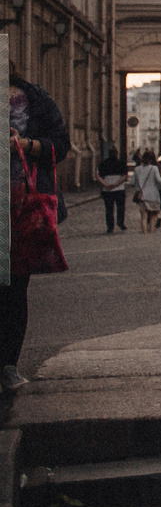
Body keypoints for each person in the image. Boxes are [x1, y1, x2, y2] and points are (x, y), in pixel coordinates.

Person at [3, 75, 70, 393]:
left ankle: (7, 365)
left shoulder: (32, 99)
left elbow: (61, 145)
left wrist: (23, 143)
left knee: (14, 288)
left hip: (20, 207)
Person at [97, 143, 128, 232]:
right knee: (120, 207)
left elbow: (98, 176)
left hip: (107, 190)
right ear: (117, 154)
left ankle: (110, 227)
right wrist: (116, 184)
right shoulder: (121, 163)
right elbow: (125, 176)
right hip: (119, 189)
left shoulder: (103, 164)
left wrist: (105, 185)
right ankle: (120, 222)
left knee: (109, 209)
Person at [132, 150, 161, 233]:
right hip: (152, 196)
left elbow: (132, 183)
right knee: (152, 217)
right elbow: (159, 180)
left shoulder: (137, 169)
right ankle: (151, 232)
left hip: (141, 196)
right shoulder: (154, 168)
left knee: (143, 217)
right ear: (152, 159)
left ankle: (144, 234)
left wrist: (138, 187)